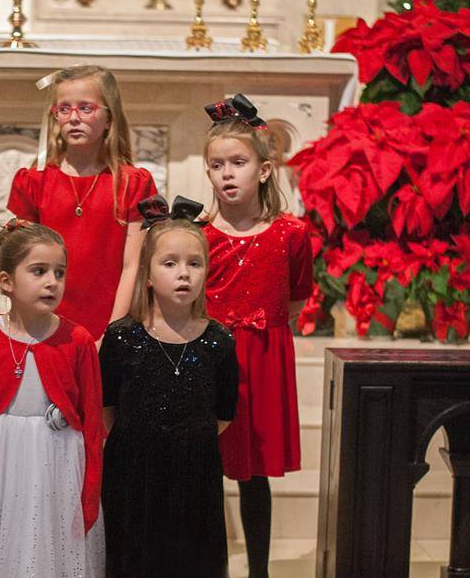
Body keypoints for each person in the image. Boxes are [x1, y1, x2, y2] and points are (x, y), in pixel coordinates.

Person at [0, 219, 104, 578]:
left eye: (59, 273)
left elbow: (91, 424)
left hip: (58, 467)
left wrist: (89, 497)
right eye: (39, 271)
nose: (51, 282)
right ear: (7, 281)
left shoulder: (78, 341)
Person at [201, 95, 314, 578]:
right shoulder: (201, 236)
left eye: (238, 163)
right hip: (210, 360)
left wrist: (258, 327)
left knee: (253, 475)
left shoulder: (290, 234)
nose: (227, 174)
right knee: (205, 469)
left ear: (265, 170)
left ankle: (260, 571)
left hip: (264, 359)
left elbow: (295, 297)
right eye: (216, 165)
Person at [101, 195, 238, 578]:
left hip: (194, 472)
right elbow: (106, 407)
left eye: (195, 264)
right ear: (147, 274)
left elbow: (224, 414)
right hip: (133, 473)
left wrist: (183, 440)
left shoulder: (219, 341)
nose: (184, 274)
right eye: (170, 263)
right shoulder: (122, 339)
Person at [7, 65, 157, 339]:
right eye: (64, 109)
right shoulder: (34, 181)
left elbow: (133, 266)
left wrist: (112, 334)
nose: (74, 118)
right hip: (46, 325)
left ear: (109, 117)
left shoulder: (132, 183)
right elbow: (27, 265)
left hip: (111, 323)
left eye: (86, 108)